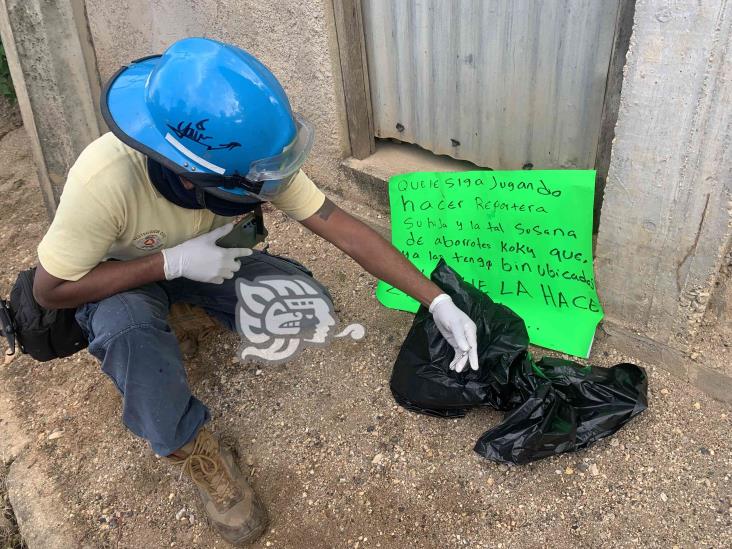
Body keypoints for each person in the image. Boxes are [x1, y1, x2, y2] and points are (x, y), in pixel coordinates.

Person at [32, 37, 478, 546]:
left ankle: (181, 315)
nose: (273, 188)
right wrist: (169, 262)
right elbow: (51, 291)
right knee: (130, 330)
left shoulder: (252, 159)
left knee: (308, 309)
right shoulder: (103, 182)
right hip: (120, 279)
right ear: (193, 177)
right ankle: (188, 445)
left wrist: (437, 299)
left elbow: (343, 227)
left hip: (204, 262)